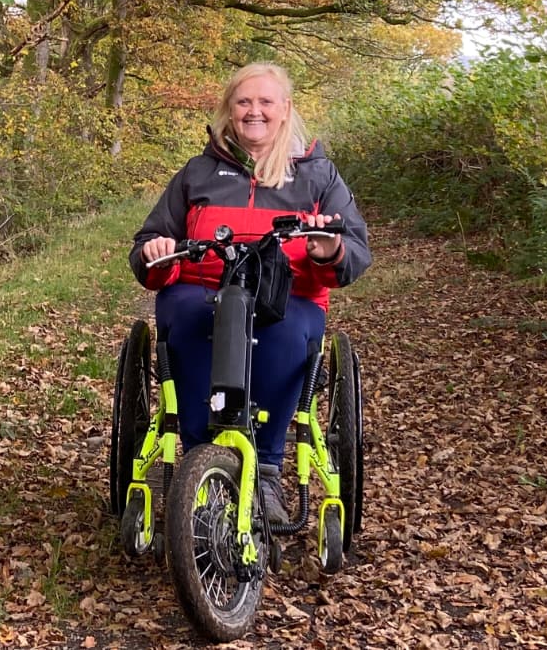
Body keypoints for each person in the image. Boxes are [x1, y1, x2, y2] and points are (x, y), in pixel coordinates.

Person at [128, 62, 371, 524]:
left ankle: (265, 466)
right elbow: (147, 248)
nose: (253, 111)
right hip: (202, 290)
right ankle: (203, 460)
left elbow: (355, 251)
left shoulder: (317, 176)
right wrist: (156, 251)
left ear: (285, 110)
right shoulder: (197, 173)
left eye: (265, 102)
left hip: (289, 296)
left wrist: (328, 249)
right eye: (243, 102)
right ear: (229, 110)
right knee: (187, 319)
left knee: (286, 334)